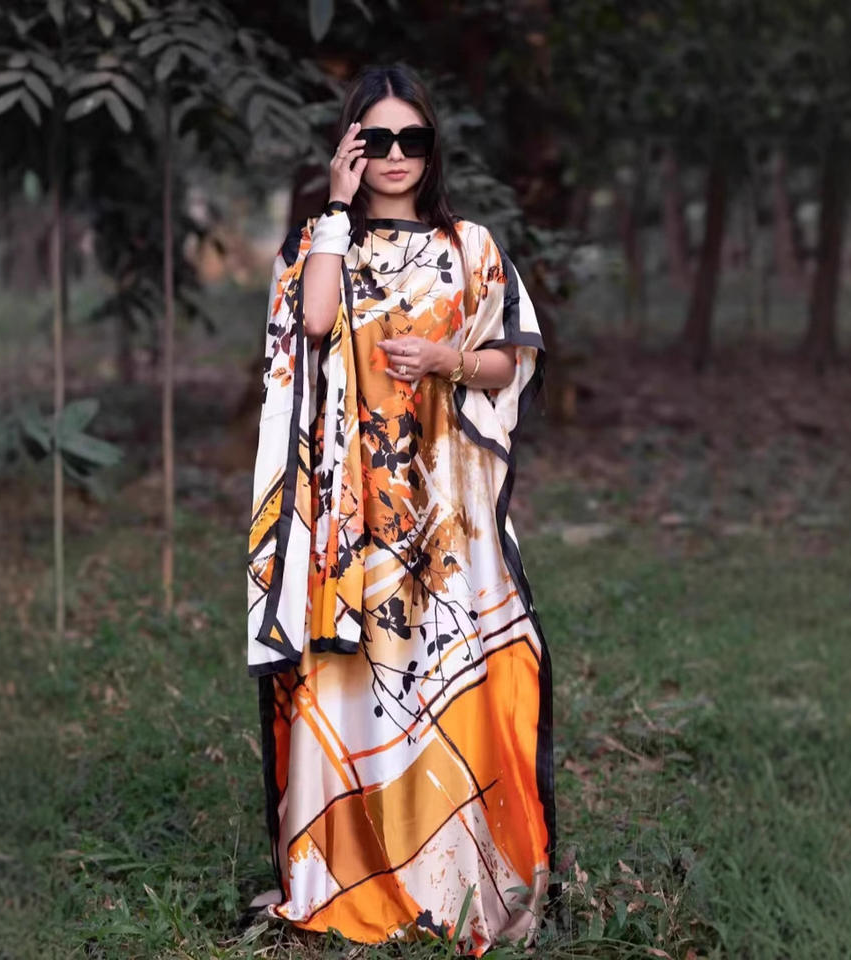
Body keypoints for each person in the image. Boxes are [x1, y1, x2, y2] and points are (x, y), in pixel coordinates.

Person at [246, 62, 558, 955]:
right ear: (350, 147)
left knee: (453, 677)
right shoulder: (322, 242)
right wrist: (336, 209)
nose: (393, 155)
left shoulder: (471, 247)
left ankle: (452, 879)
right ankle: (347, 875)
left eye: (410, 139)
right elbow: (311, 324)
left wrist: (447, 361)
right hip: (347, 517)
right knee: (355, 684)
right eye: (374, 139)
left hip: (446, 514)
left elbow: (510, 360)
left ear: (432, 149)